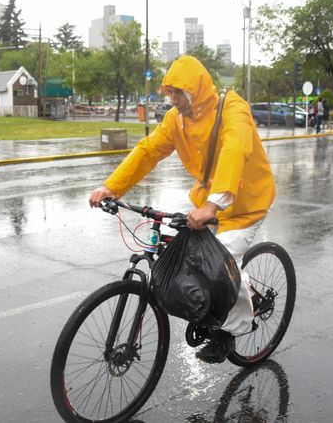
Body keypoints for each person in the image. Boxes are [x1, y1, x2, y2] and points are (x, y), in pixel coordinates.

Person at [88, 55, 276, 364]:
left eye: (179, 92)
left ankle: (234, 330)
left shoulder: (232, 108)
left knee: (222, 265)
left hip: (245, 205)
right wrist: (112, 187)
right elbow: (148, 150)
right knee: (186, 255)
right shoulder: (177, 120)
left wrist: (214, 204)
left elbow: (235, 150)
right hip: (207, 205)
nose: (173, 99)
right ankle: (210, 308)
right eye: (169, 92)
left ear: (196, 89)